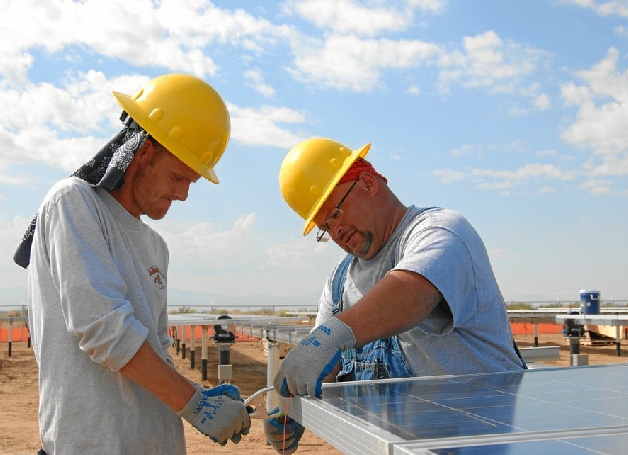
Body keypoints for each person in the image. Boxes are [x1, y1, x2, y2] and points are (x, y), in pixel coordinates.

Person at [14, 74, 251, 454]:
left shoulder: (155, 247)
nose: (183, 194)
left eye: (192, 182)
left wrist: (195, 394)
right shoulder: (74, 203)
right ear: (143, 152)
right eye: (177, 177)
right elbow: (103, 329)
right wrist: (194, 404)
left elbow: (153, 350)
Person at [264, 137, 526, 453]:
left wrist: (333, 336)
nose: (336, 233)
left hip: (483, 443)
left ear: (368, 183)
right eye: (324, 228)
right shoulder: (339, 281)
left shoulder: (440, 231)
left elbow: (412, 295)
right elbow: (322, 368)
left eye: (334, 214)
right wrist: (290, 405)